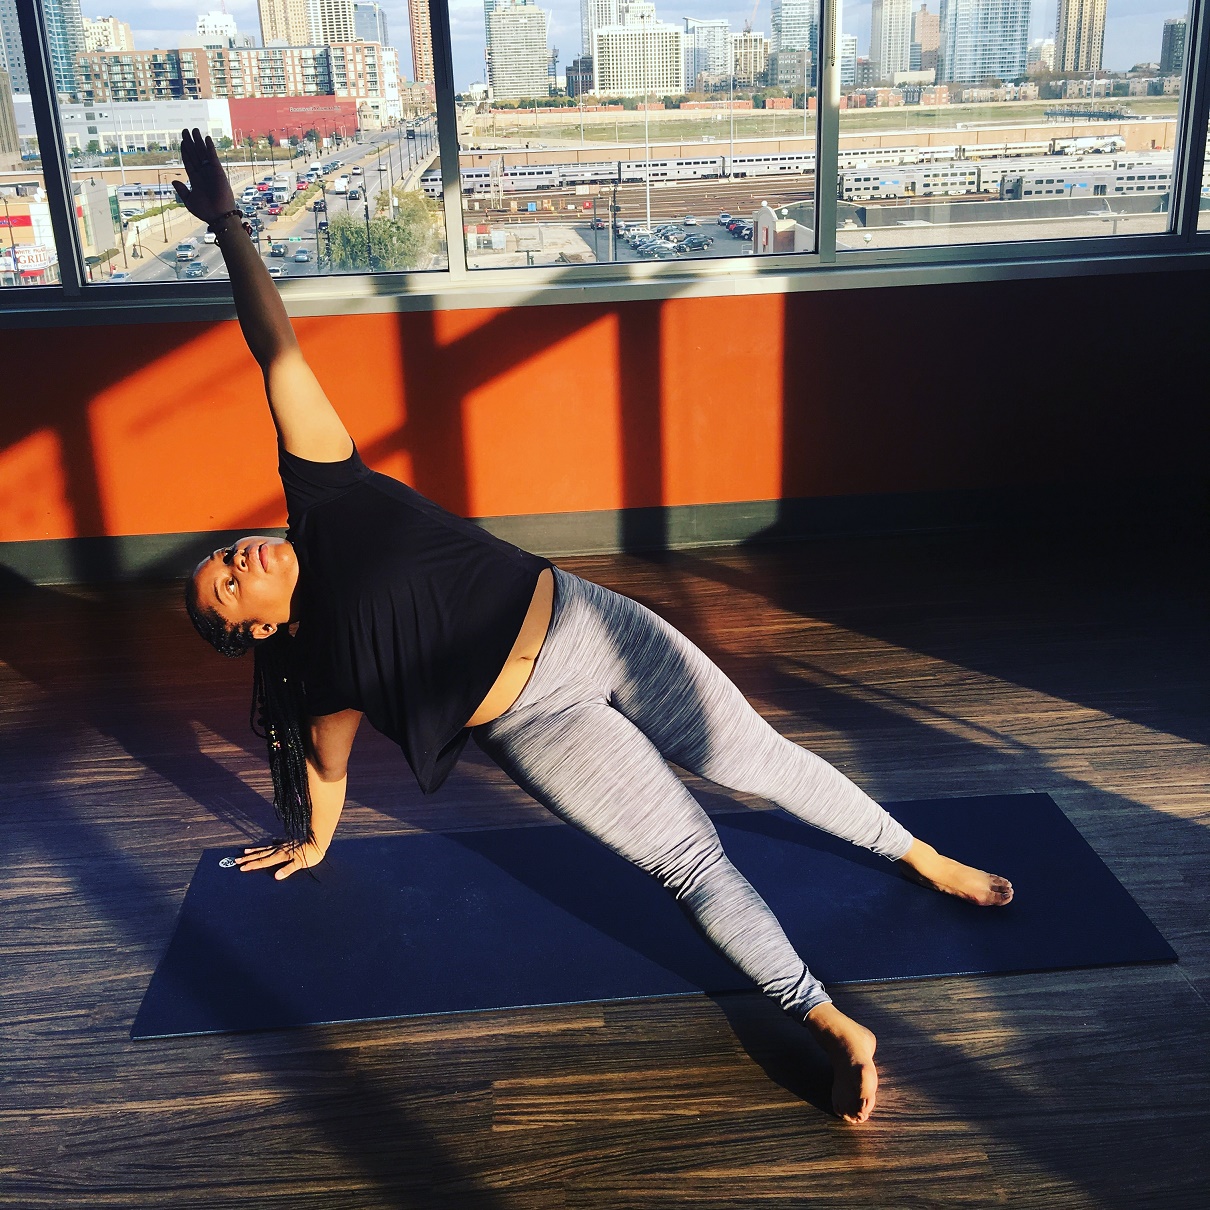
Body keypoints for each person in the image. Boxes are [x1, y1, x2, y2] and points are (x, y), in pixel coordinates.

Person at [173, 129, 1013, 1126]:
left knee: (761, 759)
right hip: (534, 727)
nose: (239, 560)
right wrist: (311, 843)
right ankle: (827, 1020)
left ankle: (917, 855)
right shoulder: (314, 669)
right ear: (255, 634)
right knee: (688, 860)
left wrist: (231, 224)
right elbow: (327, 764)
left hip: (590, 627)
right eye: (225, 586)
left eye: (226, 551)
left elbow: (275, 347)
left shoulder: (328, 495)